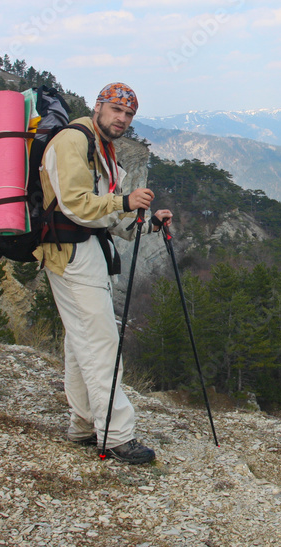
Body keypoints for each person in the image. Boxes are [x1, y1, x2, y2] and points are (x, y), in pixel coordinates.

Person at [34, 82, 171, 465]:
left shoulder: (101, 146)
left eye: (128, 114)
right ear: (98, 106)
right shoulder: (73, 140)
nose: (122, 119)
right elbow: (76, 204)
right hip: (71, 253)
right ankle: (116, 436)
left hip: (87, 250)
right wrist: (125, 201)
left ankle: (83, 425)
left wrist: (149, 224)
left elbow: (106, 215)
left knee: (82, 343)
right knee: (102, 343)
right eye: (116, 110)